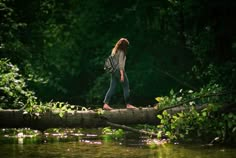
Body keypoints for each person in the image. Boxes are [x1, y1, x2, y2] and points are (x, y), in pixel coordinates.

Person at [103, 38, 137, 110]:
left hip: (113, 71)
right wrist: (122, 75)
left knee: (112, 87)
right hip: (119, 71)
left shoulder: (114, 51)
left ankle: (106, 104)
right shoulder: (121, 52)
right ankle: (128, 104)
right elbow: (121, 64)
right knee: (126, 86)